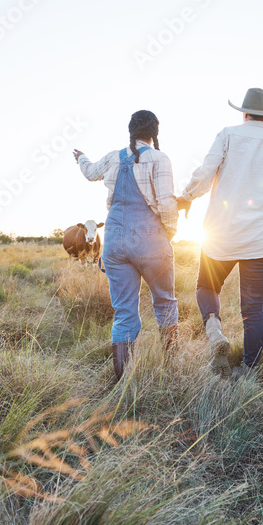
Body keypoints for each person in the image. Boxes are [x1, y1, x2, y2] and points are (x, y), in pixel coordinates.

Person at [177, 88, 263, 379]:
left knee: (206, 286)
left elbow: (204, 174)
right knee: (253, 308)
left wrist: (187, 196)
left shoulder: (227, 134)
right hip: (262, 239)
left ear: (244, 112)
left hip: (221, 234)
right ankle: (248, 371)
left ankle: (214, 329)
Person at [73, 110, 179, 383]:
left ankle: (123, 383)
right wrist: (168, 233)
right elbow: (167, 203)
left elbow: (88, 173)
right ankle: (173, 370)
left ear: (130, 131)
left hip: (115, 243)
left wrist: (80, 157)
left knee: (124, 312)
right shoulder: (159, 158)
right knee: (165, 303)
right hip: (151, 240)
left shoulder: (113, 157)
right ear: (154, 132)